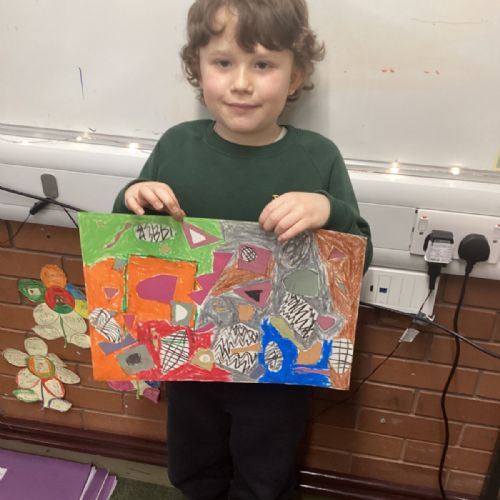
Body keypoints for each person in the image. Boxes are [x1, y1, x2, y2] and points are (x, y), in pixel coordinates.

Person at [113, 0, 372, 498]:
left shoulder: (318, 157)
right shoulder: (177, 146)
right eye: (223, 62)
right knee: (193, 464)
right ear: (198, 69)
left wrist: (327, 209)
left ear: (295, 77)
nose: (241, 83)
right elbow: (126, 246)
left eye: (263, 64)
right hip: (191, 359)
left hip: (278, 367)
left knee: (265, 473)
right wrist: (134, 197)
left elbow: (358, 258)